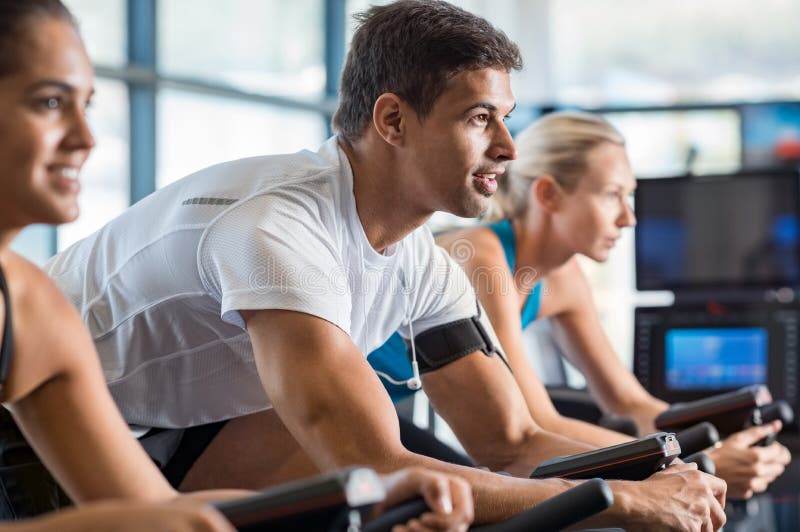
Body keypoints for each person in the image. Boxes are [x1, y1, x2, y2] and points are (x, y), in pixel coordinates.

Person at [46, 1, 727, 528]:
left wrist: (670, 480)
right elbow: (376, 466)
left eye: (506, 119)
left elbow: (511, 439)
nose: (509, 149)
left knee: (445, 503)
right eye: (480, 119)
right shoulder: (278, 226)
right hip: (39, 428)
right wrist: (628, 504)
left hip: (180, 423)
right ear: (393, 122)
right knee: (398, 494)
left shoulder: (418, 262)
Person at [0, 1, 473, 531]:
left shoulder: (33, 305)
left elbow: (154, 508)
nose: (86, 139)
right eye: (48, 102)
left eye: (85, 105)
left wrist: (364, 499)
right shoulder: (270, 222)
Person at [435, 111, 787, 500]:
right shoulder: (482, 257)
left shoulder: (564, 278)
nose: (629, 218)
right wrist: (696, 462)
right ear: (548, 194)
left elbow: (630, 402)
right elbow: (533, 423)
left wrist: (723, 437)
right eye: (611, 195)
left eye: (629, 196)